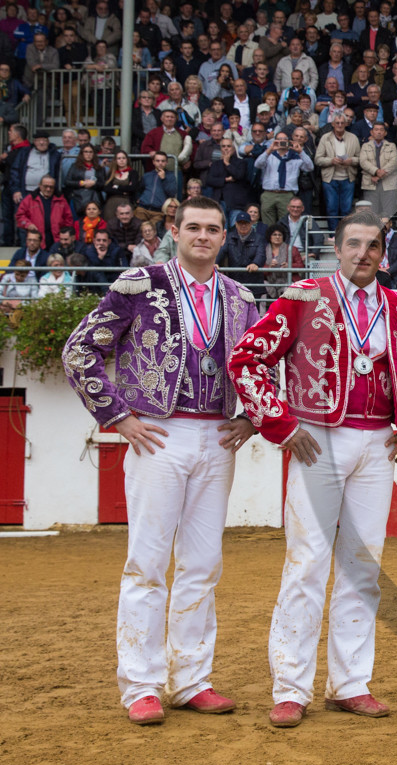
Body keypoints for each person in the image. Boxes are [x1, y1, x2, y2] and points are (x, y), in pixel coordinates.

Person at [228, 208, 397, 728]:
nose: (363, 253)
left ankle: (350, 683)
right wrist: (279, 423)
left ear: (384, 255)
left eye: (373, 245)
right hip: (317, 442)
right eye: (354, 244)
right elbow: (247, 359)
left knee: (364, 565)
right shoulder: (303, 297)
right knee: (307, 564)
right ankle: (291, 688)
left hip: (377, 446)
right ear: (337, 249)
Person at [61, 196, 260, 725]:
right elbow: (80, 349)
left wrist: (253, 418)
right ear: (174, 231)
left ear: (224, 237)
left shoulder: (241, 297)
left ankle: (192, 679)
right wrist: (119, 417)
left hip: (217, 438)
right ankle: (142, 685)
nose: (202, 236)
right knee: (146, 563)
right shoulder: (138, 285)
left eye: (212, 229)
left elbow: (266, 366)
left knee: (202, 564)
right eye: (192, 227)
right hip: (158, 435)